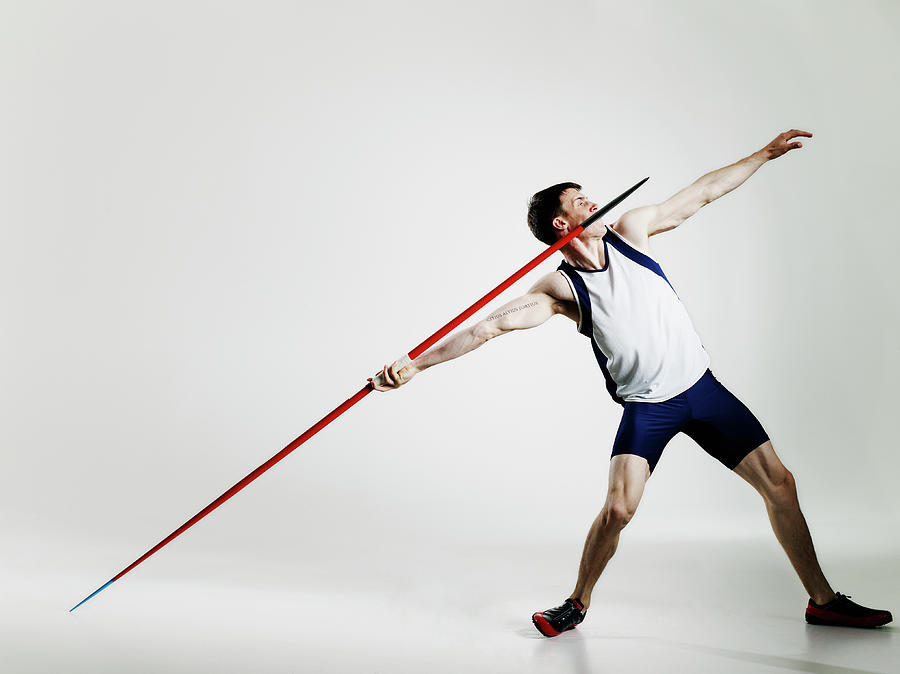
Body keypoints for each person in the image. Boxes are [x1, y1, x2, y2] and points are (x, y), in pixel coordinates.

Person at [368, 130, 893, 634]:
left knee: (781, 484)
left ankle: (823, 603)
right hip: (649, 408)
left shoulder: (631, 232)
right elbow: (489, 327)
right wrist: (415, 365)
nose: (593, 202)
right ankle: (576, 603)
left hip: (702, 390)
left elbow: (702, 193)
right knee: (619, 508)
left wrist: (762, 154)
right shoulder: (557, 288)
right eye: (581, 201)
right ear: (560, 221)